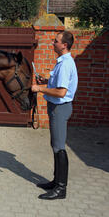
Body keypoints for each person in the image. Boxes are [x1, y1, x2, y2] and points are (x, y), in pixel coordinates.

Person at [31, 31, 78, 200]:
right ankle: (56, 181)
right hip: (57, 107)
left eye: (56, 41)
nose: (53, 43)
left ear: (64, 45)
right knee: (55, 145)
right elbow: (58, 85)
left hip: (60, 108)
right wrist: (46, 81)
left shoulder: (65, 64)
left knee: (59, 147)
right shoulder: (62, 62)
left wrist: (40, 88)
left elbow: (61, 92)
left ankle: (61, 188)